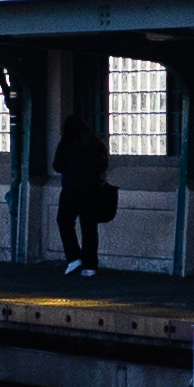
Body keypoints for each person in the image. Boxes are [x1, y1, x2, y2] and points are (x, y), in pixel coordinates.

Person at [51, 101, 119, 279]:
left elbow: (57, 166)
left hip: (71, 189)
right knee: (89, 228)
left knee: (64, 221)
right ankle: (90, 266)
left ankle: (74, 257)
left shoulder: (66, 143)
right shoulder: (96, 143)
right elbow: (104, 164)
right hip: (93, 190)